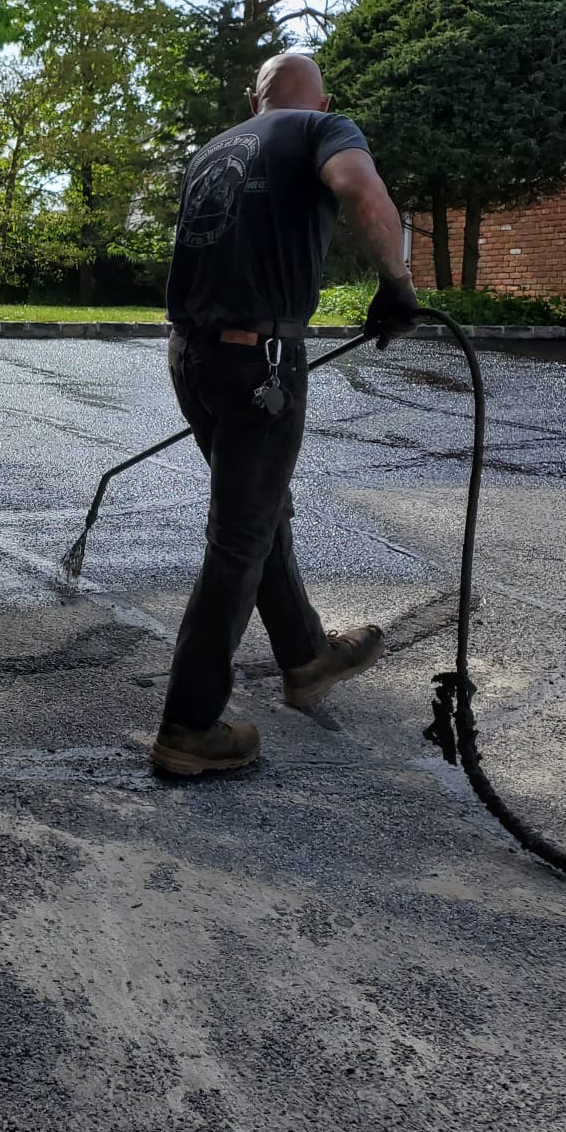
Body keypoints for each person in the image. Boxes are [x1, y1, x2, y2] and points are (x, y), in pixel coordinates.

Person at [150, 53, 420, 776]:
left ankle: (305, 657)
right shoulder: (323, 128)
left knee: (262, 510)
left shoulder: (215, 150)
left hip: (192, 356)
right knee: (240, 536)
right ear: (321, 97)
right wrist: (396, 281)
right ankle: (188, 725)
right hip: (259, 360)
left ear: (253, 97)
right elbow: (361, 190)